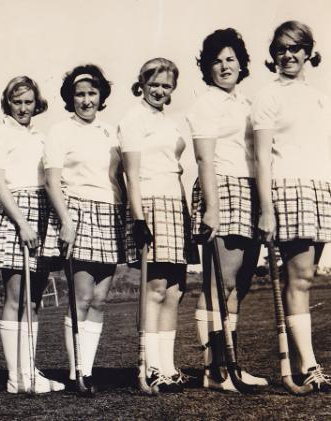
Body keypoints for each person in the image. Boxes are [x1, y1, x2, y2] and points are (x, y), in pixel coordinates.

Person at [187, 28, 268, 391]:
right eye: (216, 60)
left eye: (230, 59)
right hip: (221, 188)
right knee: (219, 284)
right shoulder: (206, 103)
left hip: (249, 189)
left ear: (241, 63)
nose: (224, 66)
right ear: (207, 67)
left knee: (240, 286)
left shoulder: (247, 104)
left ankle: (231, 364)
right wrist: (212, 208)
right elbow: (203, 158)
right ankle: (213, 369)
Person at [252, 20, 331, 392]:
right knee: (298, 279)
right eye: (281, 49)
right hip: (288, 188)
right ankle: (309, 366)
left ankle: (309, 364)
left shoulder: (318, 96)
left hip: (319, 188)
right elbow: (262, 158)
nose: (288, 55)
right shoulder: (269, 96)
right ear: (274, 55)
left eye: (295, 48)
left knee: (307, 278)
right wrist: (266, 208)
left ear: (307, 52)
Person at [43, 65, 125, 394]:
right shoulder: (61, 131)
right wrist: (65, 220)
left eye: (92, 93)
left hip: (110, 214)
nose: (86, 100)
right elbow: (51, 181)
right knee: (82, 296)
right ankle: (78, 370)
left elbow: (120, 178)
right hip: (77, 211)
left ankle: (87, 371)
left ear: (101, 96)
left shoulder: (111, 133)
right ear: (70, 97)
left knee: (101, 299)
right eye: (80, 94)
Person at [119, 58, 198, 393]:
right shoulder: (133, 119)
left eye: (166, 85)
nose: (160, 90)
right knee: (156, 287)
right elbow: (131, 175)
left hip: (174, 203)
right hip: (148, 203)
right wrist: (138, 218)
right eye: (154, 83)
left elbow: (175, 168)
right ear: (142, 83)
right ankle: (151, 367)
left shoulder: (170, 122)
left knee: (175, 290)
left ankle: (168, 367)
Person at [0, 76, 65, 394]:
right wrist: (21, 222)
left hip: (43, 213)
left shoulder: (41, 137)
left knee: (33, 301)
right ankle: (15, 377)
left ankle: (28, 371)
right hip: (16, 215)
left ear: (36, 104)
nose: (22, 108)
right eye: (17, 102)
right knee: (16, 297)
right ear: (8, 103)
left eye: (28, 102)